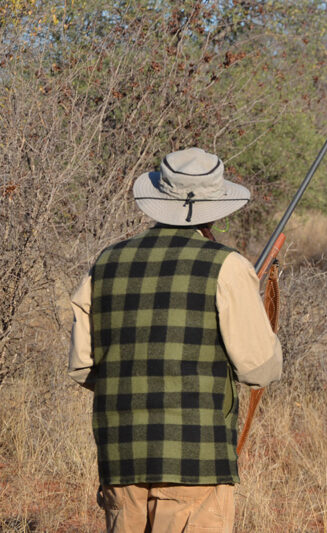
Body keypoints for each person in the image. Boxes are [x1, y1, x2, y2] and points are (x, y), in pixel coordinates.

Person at [69, 147, 283, 532]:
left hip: (120, 460)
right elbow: (259, 369)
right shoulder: (228, 266)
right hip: (195, 463)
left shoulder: (105, 262)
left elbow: (83, 366)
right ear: (216, 209)